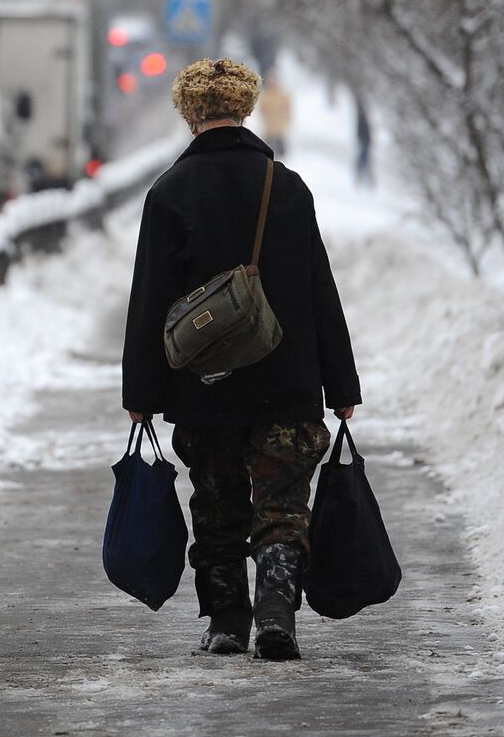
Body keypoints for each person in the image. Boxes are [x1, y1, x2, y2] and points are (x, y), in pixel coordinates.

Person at [121, 58, 362, 661]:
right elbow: (318, 289)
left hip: (206, 390)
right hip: (288, 382)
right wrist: (341, 383)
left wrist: (142, 394)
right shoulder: (286, 186)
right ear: (246, 107)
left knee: (218, 507)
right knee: (283, 506)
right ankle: (277, 614)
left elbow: (150, 299)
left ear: (189, 112)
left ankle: (227, 622)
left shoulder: (169, 192)